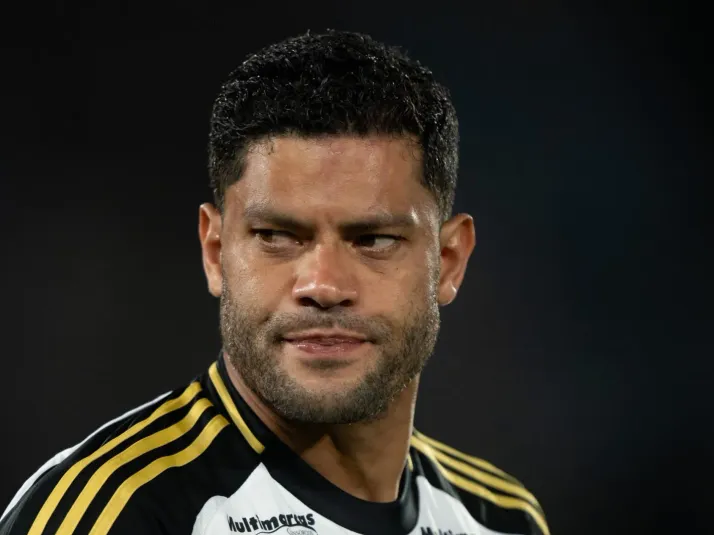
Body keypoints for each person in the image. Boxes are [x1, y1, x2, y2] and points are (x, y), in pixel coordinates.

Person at [0, 30, 549, 535]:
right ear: (215, 252)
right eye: (277, 236)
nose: (324, 285)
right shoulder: (108, 514)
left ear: (449, 261)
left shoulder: (505, 519)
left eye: (374, 239)